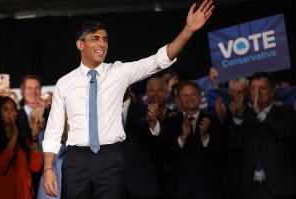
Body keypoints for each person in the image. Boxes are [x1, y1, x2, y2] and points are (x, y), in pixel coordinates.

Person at [42, 1, 215, 198]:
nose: (102, 44)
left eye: (105, 40)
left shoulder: (118, 72)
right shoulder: (65, 83)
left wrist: (188, 30)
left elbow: (159, 60)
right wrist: (48, 169)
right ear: (80, 44)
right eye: (95, 39)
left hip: (110, 157)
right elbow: (53, 130)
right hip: (76, 160)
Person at [229, 72, 295, 199]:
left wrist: (260, 113)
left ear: (272, 91)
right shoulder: (241, 114)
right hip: (247, 190)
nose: (257, 93)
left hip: (279, 190)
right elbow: (234, 144)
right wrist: (238, 118)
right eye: (253, 89)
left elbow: (284, 133)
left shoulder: (286, 113)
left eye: (262, 88)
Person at [162, 81, 224, 199]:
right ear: (178, 101)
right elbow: (164, 157)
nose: (189, 98)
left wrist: (205, 138)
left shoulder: (213, 123)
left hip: (207, 190)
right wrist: (182, 138)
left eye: (193, 94)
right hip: (176, 190)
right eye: (185, 95)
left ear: (200, 97)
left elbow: (221, 158)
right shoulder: (169, 124)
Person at [0, 96, 42, 199]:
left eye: (13, 108)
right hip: (4, 193)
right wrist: (14, 137)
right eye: (5, 109)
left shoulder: (23, 138)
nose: (11, 112)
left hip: (24, 192)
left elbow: (35, 166)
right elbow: (0, 167)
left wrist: (34, 139)